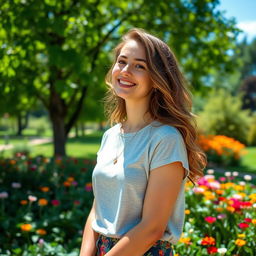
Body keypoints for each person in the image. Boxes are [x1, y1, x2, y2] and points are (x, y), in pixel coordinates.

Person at [79, 28, 207, 256]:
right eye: (122, 61)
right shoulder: (110, 136)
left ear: (157, 79)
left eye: (140, 66)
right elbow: (98, 209)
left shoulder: (165, 139)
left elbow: (151, 229)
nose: (126, 71)